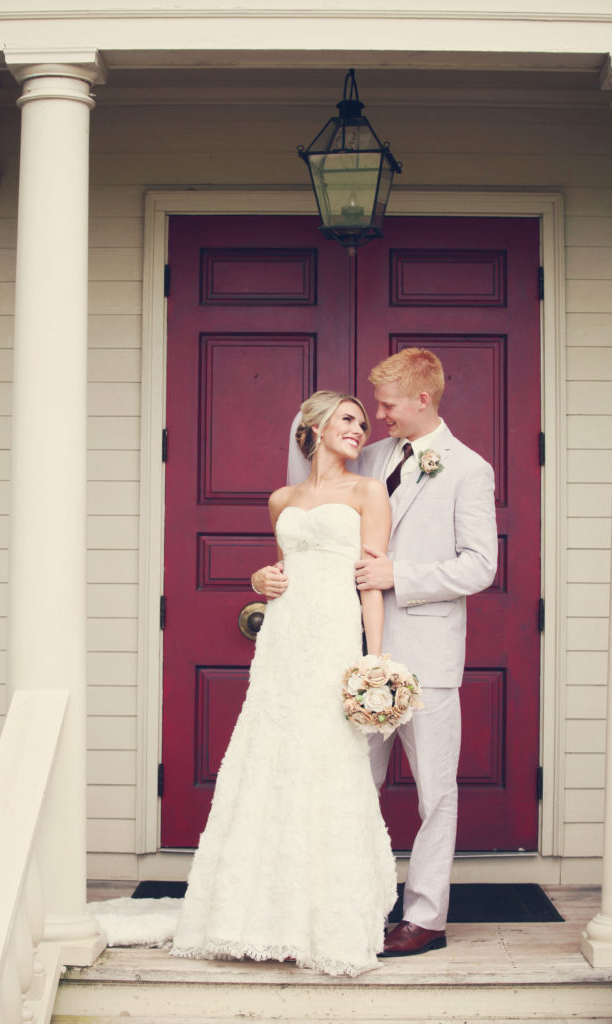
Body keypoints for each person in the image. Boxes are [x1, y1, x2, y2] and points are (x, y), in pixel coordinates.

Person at [260, 348, 498, 958]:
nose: (376, 419)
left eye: (386, 406)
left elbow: (481, 566)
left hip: (426, 660)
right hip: (348, 654)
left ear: (422, 399)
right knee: (348, 784)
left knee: (434, 794)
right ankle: (350, 908)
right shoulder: (366, 459)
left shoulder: (469, 470)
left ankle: (424, 917)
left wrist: (401, 575)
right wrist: (271, 579)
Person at [171, 391, 397, 977]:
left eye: (364, 423)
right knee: (269, 757)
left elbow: (370, 579)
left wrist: (375, 659)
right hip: (283, 642)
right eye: (348, 419)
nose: (360, 429)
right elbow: (283, 568)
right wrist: (260, 579)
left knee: (326, 761)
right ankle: (259, 914)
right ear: (315, 427)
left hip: (332, 638)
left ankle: (326, 919)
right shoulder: (282, 499)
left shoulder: (368, 492)